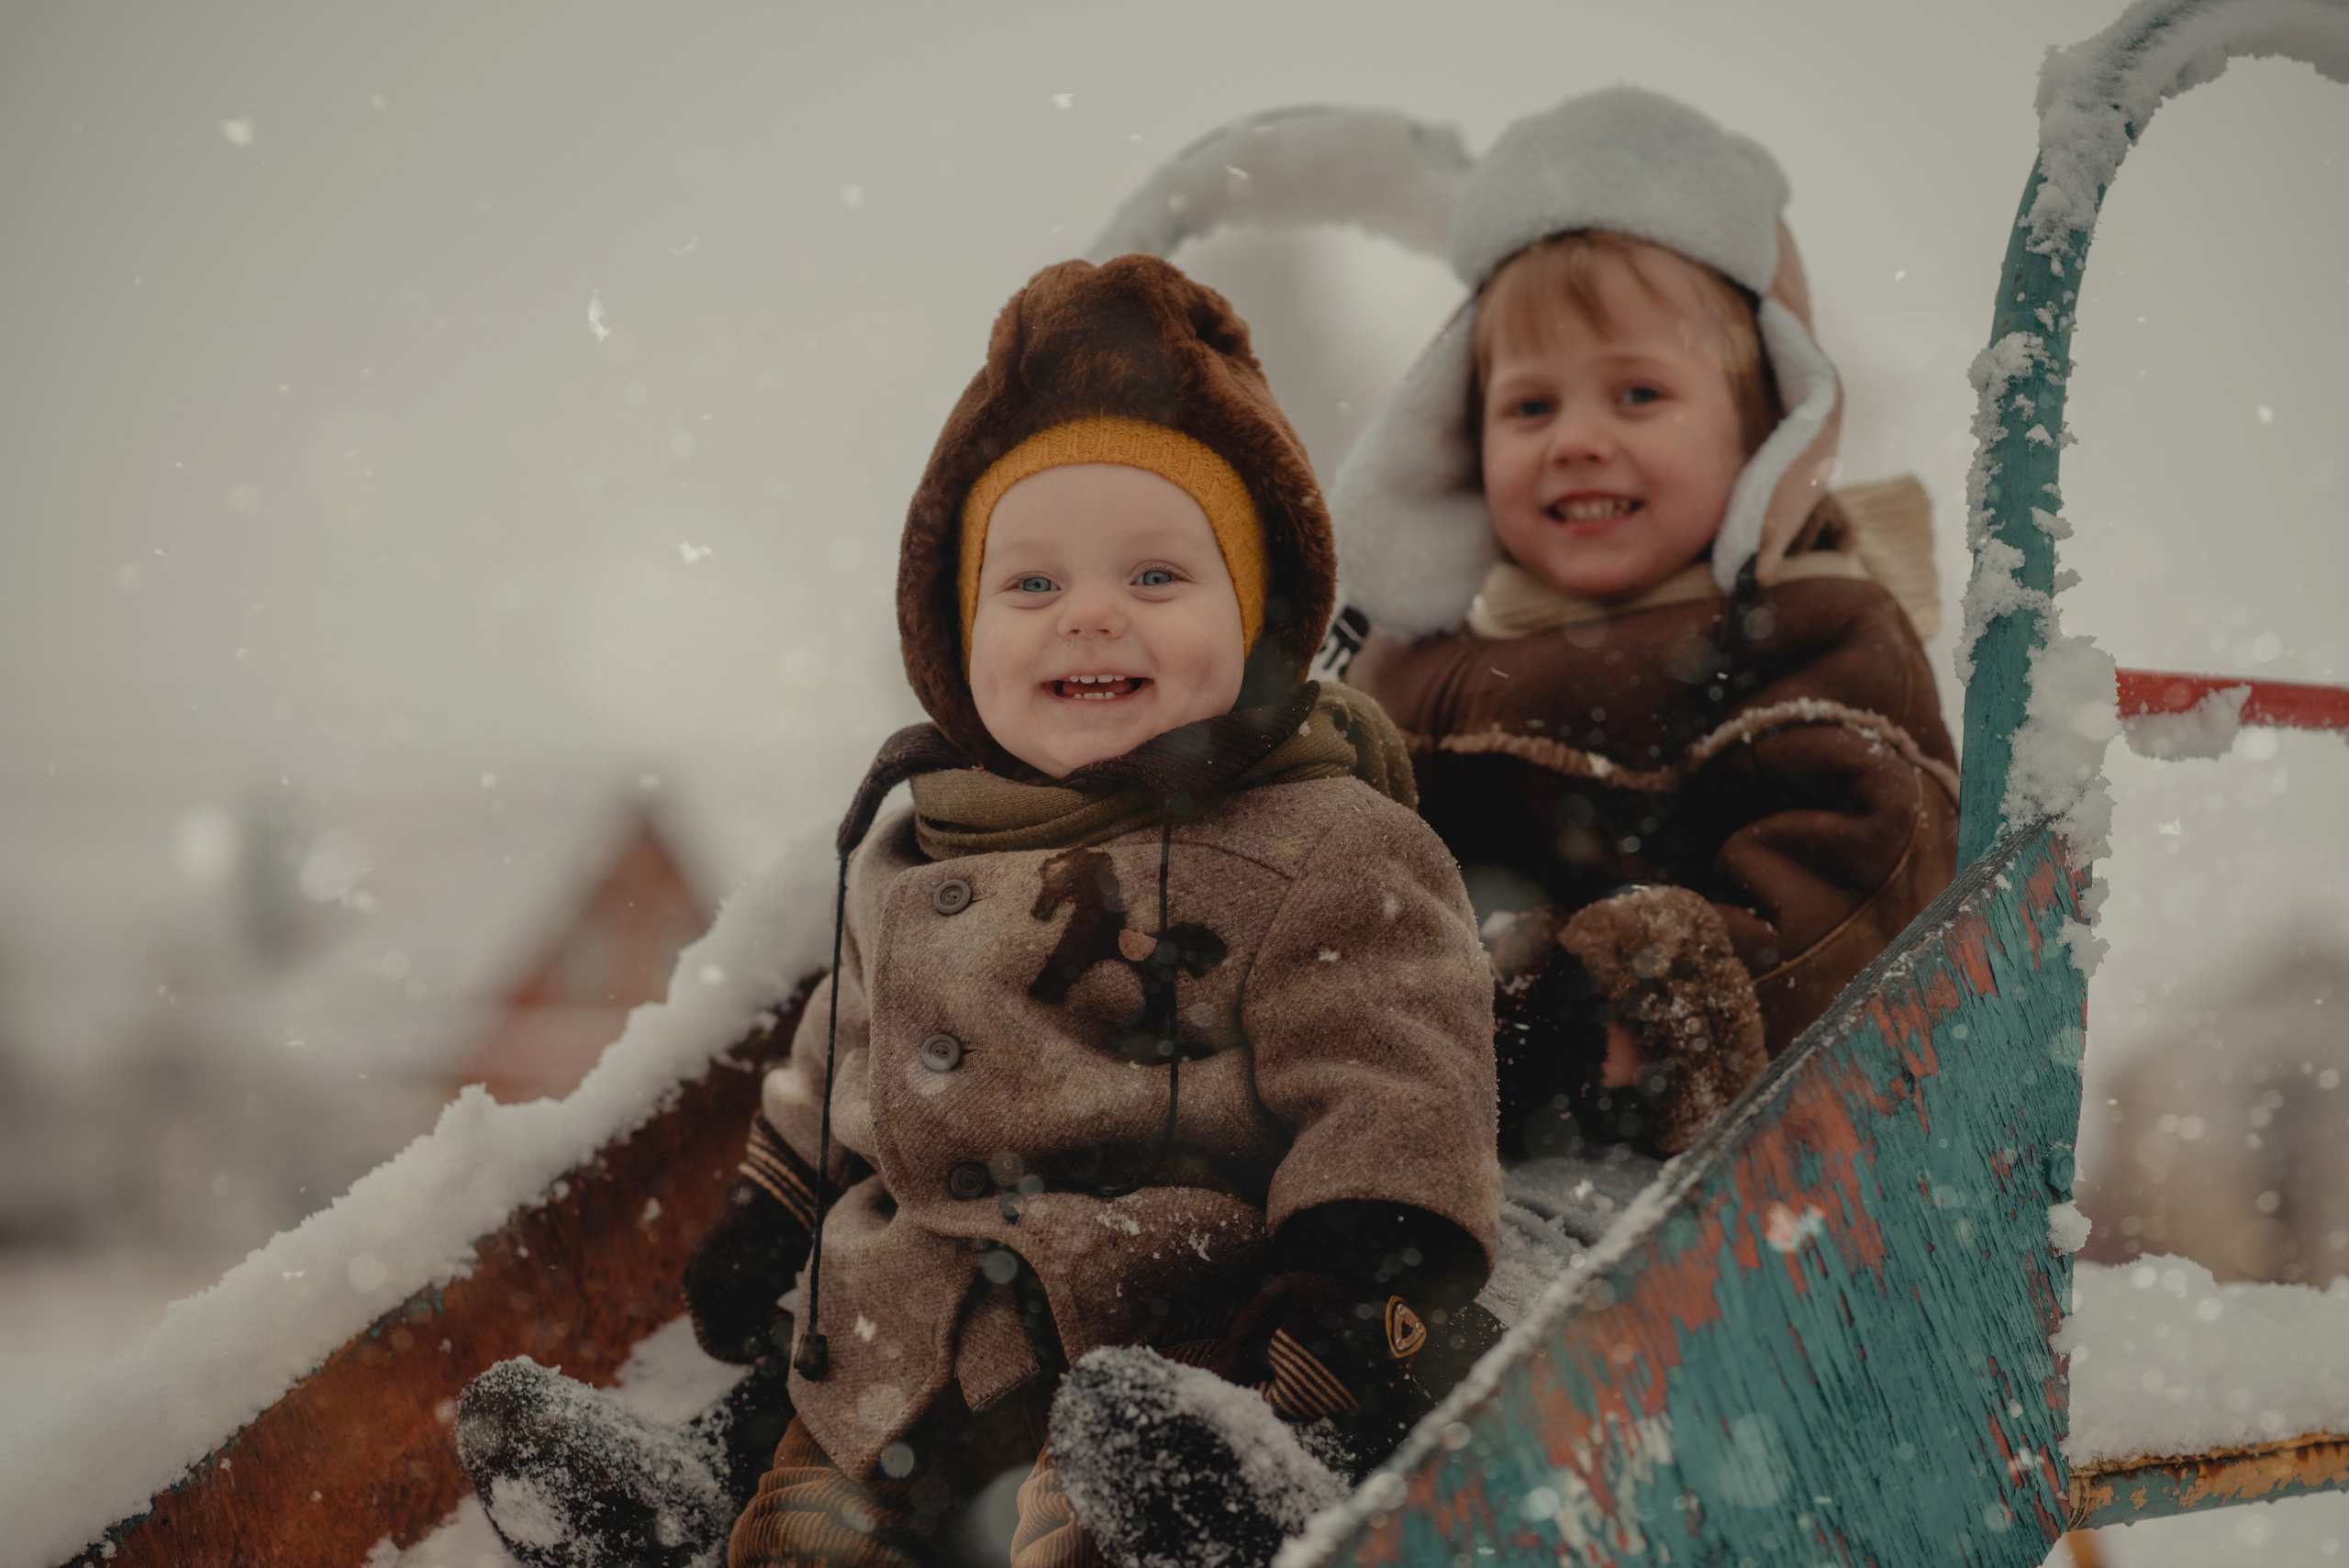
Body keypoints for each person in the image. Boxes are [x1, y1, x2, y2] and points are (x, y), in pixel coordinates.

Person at [462, 254, 1502, 1568]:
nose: (1089, 617)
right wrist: (776, 1203)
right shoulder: (915, 844)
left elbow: (1397, 1078)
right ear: (957, 639)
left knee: (1109, 1504)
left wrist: (1346, 1298)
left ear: (1259, 625)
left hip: (1172, 1350)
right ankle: (685, 1511)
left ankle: (1248, 1500)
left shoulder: (1330, 839)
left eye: (1157, 579)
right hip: (904, 1354)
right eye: (1032, 586)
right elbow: (841, 1049)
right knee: (810, 1519)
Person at [1330, 86, 1958, 1165]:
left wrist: (1637, 1003)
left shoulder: (1810, 631)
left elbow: (1860, 867)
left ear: (1762, 433)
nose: (1575, 440)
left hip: (1667, 1154)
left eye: (1636, 396)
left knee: (1503, 1253)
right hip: (1403, 1110)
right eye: (1530, 407)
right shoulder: (1417, 660)